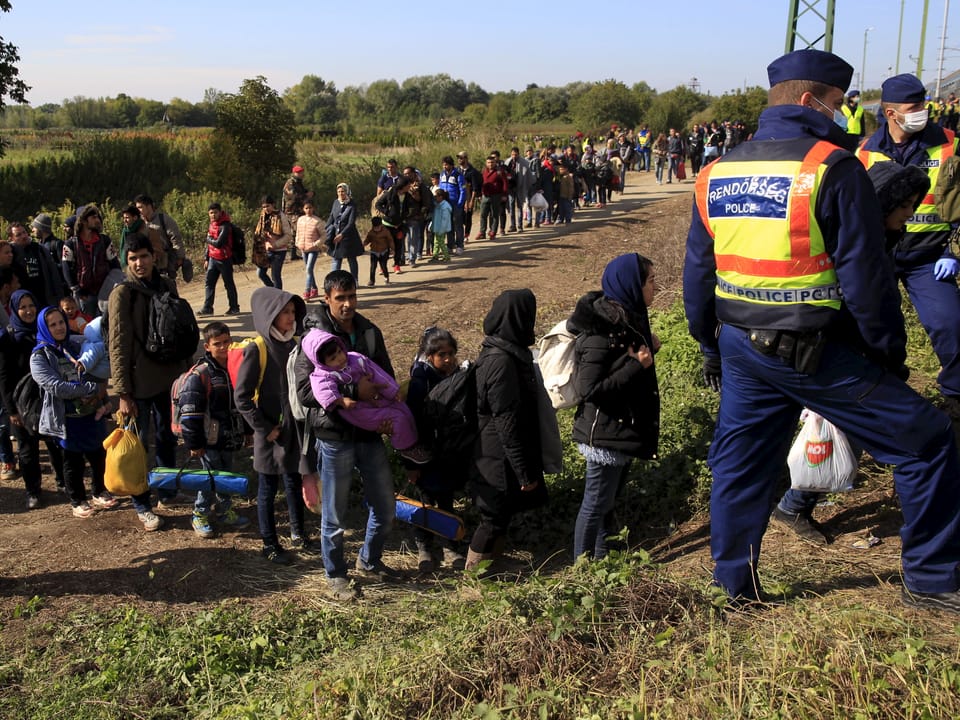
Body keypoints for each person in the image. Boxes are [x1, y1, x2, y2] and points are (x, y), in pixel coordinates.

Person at [683, 48, 960, 611]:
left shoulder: (716, 172)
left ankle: (734, 588)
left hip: (740, 346)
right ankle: (931, 579)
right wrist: (886, 354)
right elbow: (867, 280)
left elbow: (698, 274)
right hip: (814, 351)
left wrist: (708, 344)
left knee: (741, 466)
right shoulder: (831, 168)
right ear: (811, 102)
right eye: (838, 104)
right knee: (928, 441)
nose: (845, 114)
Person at [773, 158, 934, 542]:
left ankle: (794, 504)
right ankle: (793, 506)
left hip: (856, 351)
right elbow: (862, 305)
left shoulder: (878, 239)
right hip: (842, 353)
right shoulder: (858, 246)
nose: (910, 214)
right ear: (884, 205)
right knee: (847, 431)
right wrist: (884, 355)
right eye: (905, 205)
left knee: (844, 434)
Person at [856, 74, 960, 425]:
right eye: (913, 108)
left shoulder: (949, 144)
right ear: (890, 113)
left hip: (930, 256)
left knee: (951, 324)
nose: (922, 113)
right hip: (881, 255)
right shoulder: (865, 152)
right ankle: (883, 398)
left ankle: (956, 397)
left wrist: (954, 251)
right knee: (874, 331)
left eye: (923, 105)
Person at [293, 270, 399, 601]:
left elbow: (386, 376)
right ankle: (336, 574)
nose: (348, 304)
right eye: (340, 298)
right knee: (334, 514)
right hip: (335, 437)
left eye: (352, 296)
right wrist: (352, 389)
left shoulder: (368, 332)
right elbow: (303, 392)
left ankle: (369, 560)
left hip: (369, 435)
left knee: (385, 506)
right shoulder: (313, 339)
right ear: (327, 299)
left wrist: (384, 412)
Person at [568, 254, 660, 560]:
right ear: (632, 284)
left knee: (607, 501)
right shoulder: (601, 330)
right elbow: (589, 389)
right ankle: (582, 567)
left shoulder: (629, 319)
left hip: (621, 428)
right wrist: (637, 365)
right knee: (595, 502)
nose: (655, 288)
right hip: (604, 431)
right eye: (650, 281)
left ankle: (601, 555)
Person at [109, 234, 191, 528]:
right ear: (126, 261)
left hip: (169, 377)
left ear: (153, 256)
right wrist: (122, 391)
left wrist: (187, 372)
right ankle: (141, 503)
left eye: (143, 256)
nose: (139, 263)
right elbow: (117, 344)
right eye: (132, 259)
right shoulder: (123, 294)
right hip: (138, 383)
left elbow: (181, 329)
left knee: (168, 436)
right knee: (137, 445)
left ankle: (167, 492)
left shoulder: (167, 285)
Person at [467, 288, 547, 571]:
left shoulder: (501, 350)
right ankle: (473, 578)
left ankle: (491, 568)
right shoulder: (502, 362)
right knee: (493, 518)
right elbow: (506, 421)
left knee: (502, 513)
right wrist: (523, 472)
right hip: (496, 456)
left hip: (498, 452)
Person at [235, 287, 313, 565]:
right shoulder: (257, 349)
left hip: (293, 428)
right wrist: (264, 428)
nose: (292, 318)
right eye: (285, 313)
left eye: (293, 312)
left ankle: (298, 533)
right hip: (269, 433)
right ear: (270, 315)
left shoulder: (294, 344)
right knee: (267, 488)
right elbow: (242, 397)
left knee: (293, 480)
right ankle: (269, 543)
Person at [31, 305, 115, 519]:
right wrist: (90, 389)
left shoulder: (78, 344)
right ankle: (77, 499)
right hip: (66, 418)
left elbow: (100, 360)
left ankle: (99, 491)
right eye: (53, 324)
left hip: (91, 412)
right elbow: (55, 387)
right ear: (44, 327)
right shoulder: (39, 356)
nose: (59, 327)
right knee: (72, 462)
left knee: (98, 454)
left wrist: (99, 388)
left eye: (61, 322)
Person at [304, 331, 430, 463]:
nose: (340, 359)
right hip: (357, 411)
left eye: (339, 352)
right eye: (333, 359)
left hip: (375, 398)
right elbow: (324, 392)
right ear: (321, 363)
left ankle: (414, 442)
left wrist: (393, 391)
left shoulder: (355, 359)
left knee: (402, 407)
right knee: (396, 417)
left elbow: (377, 373)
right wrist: (341, 400)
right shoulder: (322, 376)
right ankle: (405, 447)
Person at [1, 290, 73, 508]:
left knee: (54, 442)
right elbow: (3, 376)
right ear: (14, 309)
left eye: (31, 305)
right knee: (27, 449)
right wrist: (11, 410)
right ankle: (33, 491)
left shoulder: (45, 331)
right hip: (22, 402)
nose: (28, 310)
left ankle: (62, 481)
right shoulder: (9, 337)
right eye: (22, 307)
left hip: (46, 398)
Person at [178, 321, 250, 539]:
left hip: (229, 437)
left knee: (225, 475)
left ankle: (223, 509)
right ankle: (199, 514)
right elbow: (190, 413)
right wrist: (194, 444)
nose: (223, 347)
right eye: (217, 343)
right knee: (208, 478)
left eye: (227, 342)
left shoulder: (236, 368)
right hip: (207, 440)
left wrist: (246, 431)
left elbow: (243, 402)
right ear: (207, 346)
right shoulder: (200, 375)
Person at [405, 327, 468, 571]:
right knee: (425, 503)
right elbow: (409, 424)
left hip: (448, 453)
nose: (448, 359)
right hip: (423, 455)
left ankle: (449, 546)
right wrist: (411, 463)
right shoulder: (420, 383)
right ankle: (424, 548)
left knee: (446, 500)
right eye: (442, 354)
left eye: (451, 353)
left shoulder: (456, 377)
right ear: (429, 356)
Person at [62, 204, 120, 318]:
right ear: (83, 221)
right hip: (84, 295)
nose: (97, 220)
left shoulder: (104, 241)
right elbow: (66, 269)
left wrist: (116, 286)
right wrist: (77, 291)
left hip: (105, 292)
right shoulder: (71, 244)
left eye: (98, 217)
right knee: (88, 326)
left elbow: (115, 265)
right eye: (93, 217)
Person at [7, 221, 64, 309]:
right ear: (11, 239)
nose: (23, 236)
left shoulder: (39, 249)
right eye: (18, 235)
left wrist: (59, 298)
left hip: (45, 300)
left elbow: (54, 274)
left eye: (24, 232)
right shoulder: (10, 255)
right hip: (23, 304)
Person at [198, 202, 240, 317]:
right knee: (209, 283)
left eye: (215, 212)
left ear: (220, 212)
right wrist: (206, 258)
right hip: (212, 258)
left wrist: (208, 239)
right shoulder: (212, 224)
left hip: (224, 259)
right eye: (211, 213)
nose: (213, 215)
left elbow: (219, 243)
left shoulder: (225, 225)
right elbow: (210, 245)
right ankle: (207, 308)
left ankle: (234, 307)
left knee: (228, 284)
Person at [134, 194, 185, 279]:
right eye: (137, 208)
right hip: (147, 262)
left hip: (165, 261)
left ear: (149, 206)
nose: (138, 211)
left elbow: (175, 238)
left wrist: (180, 257)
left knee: (168, 286)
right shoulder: (139, 224)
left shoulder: (164, 219)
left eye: (140, 207)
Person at [326, 183, 363, 280]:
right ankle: (333, 281)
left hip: (348, 236)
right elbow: (331, 217)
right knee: (336, 258)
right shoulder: (336, 202)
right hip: (336, 235)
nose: (340, 194)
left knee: (351, 259)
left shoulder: (352, 204)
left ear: (346, 192)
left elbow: (351, 223)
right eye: (338, 192)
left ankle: (355, 280)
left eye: (342, 191)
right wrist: (326, 230)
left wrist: (342, 234)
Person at [254, 196, 293, 290]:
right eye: (263, 207)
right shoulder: (263, 216)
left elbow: (288, 235)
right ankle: (273, 290)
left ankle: (279, 298)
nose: (266, 209)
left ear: (273, 205)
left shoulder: (281, 216)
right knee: (260, 273)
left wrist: (275, 245)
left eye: (268, 206)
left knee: (275, 275)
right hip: (266, 250)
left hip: (279, 250)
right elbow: (259, 233)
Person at [295, 201, 325, 300]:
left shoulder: (317, 221)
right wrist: (297, 243)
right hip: (303, 248)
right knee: (309, 270)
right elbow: (298, 233)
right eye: (306, 208)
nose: (308, 210)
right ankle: (314, 288)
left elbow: (324, 235)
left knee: (308, 269)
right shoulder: (300, 220)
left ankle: (307, 290)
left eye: (310, 208)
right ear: (303, 209)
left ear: (313, 208)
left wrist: (315, 244)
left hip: (313, 249)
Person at [282, 165, 314, 261]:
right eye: (299, 172)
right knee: (295, 231)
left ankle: (296, 252)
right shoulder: (290, 183)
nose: (301, 174)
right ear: (294, 173)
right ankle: (293, 253)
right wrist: (306, 195)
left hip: (298, 210)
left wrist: (310, 193)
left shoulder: (298, 183)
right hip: (291, 211)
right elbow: (294, 196)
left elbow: (303, 192)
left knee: (298, 230)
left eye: (301, 172)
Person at [438, 156, 466, 256]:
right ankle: (450, 246)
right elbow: (440, 187)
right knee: (448, 226)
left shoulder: (458, 175)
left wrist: (460, 204)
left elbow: (463, 191)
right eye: (444, 164)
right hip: (445, 204)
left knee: (458, 225)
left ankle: (459, 246)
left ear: (451, 165)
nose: (445, 166)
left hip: (456, 204)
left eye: (447, 165)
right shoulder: (442, 174)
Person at [477, 154, 508, 240]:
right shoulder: (484, 171)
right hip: (485, 196)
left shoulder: (499, 171)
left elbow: (505, 183)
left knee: (494, 215)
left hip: (496, 196)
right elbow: (480, 183)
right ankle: (482, 232)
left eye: (492, 162)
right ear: (486, 163)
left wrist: (504, 195)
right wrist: (479, 194)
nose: (490, 164)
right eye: (488, 162)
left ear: (495, 163)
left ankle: (492, 232)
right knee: (483, 214)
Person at [363, 216, 392, 287]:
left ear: (381, 225)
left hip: (383, 252)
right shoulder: (371, 232)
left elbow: (390, 240)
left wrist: (392, 249)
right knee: (373, 267)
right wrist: (363, 244)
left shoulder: (386, 231)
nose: (376, 229)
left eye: (378, 227)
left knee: (383, 267)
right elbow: (367, 240)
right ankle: (372, 281)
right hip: (374, 252)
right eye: (375, 228)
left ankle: (386, 278)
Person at [430, 190, 453, 263]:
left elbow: (444, 220)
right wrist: (432, 225)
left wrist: (441, 230)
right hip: (437, 228)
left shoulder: (445, 207)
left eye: (436, 196)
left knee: (441, 243)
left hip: (441, 229)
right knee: (436, 242)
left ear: (441, 197)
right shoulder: (438, 205)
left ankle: (446, 256)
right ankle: (435, 256)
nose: (435, 198)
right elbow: (435, 217)